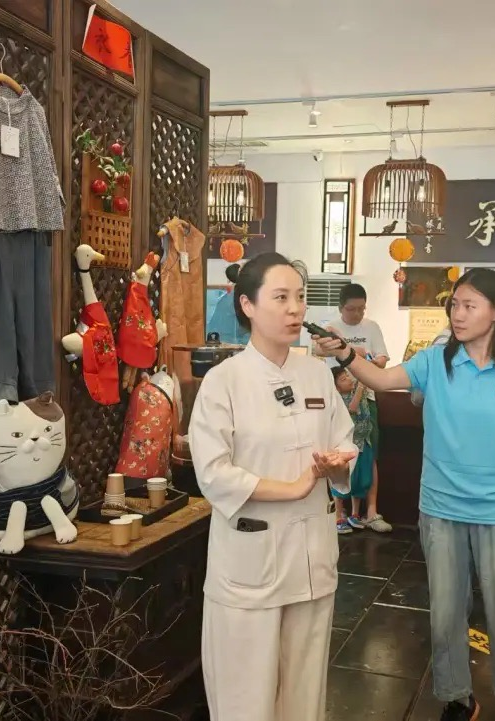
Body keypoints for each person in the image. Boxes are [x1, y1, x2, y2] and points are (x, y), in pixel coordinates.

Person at [312, 268, 495, 721]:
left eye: (469, 305)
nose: (458, 314)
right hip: (441, 508)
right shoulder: (434, 361)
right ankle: (457, 697)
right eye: (454, 305)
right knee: (445, 613)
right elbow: (381, 380)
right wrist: (344, 351)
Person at [188, 252, 357, 721]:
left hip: (312, 558)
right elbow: (213, 473)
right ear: (247, 305)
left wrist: (338, 462)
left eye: (299, 297)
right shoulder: (224, 381)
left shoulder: (316, 372)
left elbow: (344, 439)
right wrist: (294, 486)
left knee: (305, 693)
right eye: (280, 298)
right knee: (246, 696)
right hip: (251, 561)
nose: (295, 309)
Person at [322, 283, 393, 533]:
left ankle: (370, 512)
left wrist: (369, 359)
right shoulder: (330, 329)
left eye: (362, 309)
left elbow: (382, 360)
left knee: (369, 453)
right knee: (337, 451)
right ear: (340, 307)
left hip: (366, 397)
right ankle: (338, 512)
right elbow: (318, 355)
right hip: (336, 399)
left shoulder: (371, 327)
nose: (358, 314)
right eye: (352, 309)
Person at [330, 367, 375, 533]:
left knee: (362, 480)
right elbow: (352, 408)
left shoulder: (359, 389)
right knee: (342, 479)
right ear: (336, 387)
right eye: (343, 379)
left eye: (347, 376)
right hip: (347, 445)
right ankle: (338, 516)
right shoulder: (337, 399)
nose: (349, 380)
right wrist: (361, 386)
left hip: (364, 441)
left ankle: (355, 514)